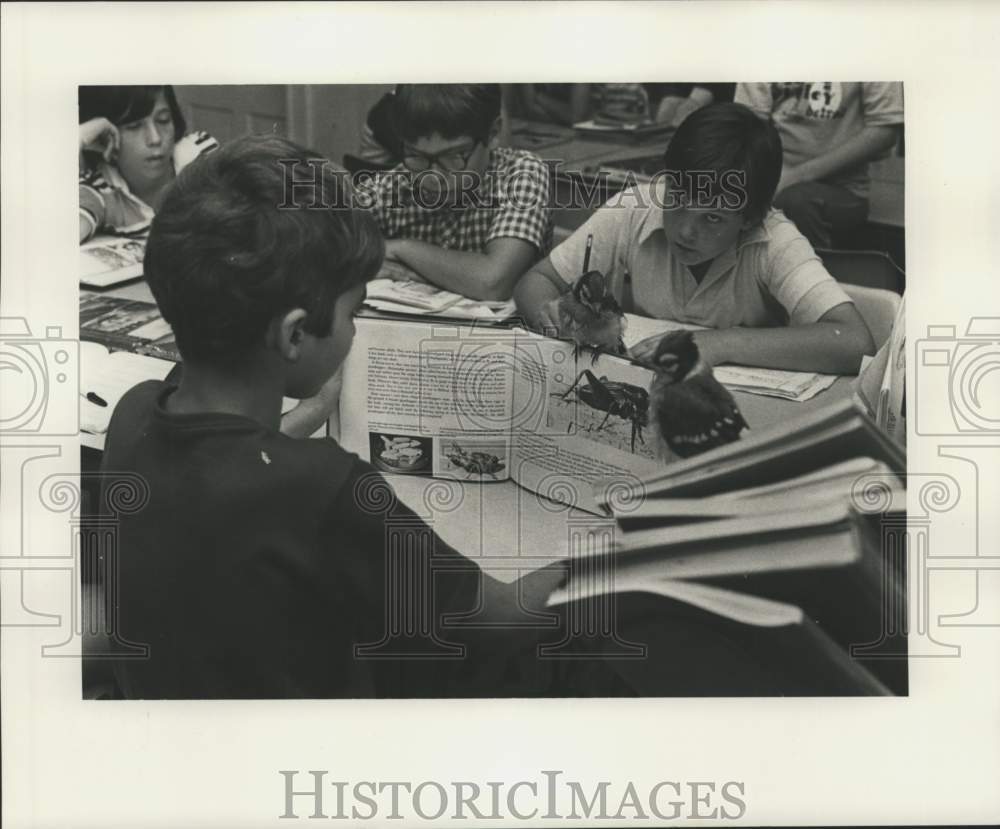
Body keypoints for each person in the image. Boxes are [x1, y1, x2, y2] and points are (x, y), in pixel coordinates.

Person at [99, 135, 575, 698]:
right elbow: (503, 620)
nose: (354, 330)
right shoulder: (323, 488)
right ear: (295, 333)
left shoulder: (133, 415)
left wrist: (312, 411)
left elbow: (219, 469)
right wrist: (642, 540)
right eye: (354, 311)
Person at [514, 102, 875, 376]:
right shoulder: (637, 206)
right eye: (678, 201)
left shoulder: (775, 240)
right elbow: (538, 280)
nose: (685, 230)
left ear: (750, 218)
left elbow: (855, 342)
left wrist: (720, 343)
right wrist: (556, 325)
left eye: (713, 218)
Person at [354, 84, 552, 301]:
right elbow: (325, 247)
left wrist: (400, 248)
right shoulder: (394, 183)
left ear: (493, 133)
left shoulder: (522, 173)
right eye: (417, 155)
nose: (433, 177)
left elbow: (493, 282)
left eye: (453, 156)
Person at [734, 82, 904, 249]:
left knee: (795, 201)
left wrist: (795, 176)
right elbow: (746, 124)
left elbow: (885, 132)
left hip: (841, 189)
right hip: (772, 178)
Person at [78, 85, 218, 243]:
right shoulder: (100, 188)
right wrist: (79, 138)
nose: (155, 138)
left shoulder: (200, 156)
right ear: (104, 138)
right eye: (134, 126)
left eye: (163, 120)